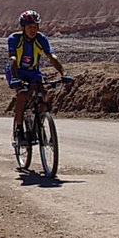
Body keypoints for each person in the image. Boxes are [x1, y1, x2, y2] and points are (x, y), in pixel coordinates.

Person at [6, 10, 71, 144]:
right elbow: (12, 59)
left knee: (44, 95)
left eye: (35, 27)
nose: (33, 30)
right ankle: (19, 129)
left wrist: (63, 73)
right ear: (23, 27)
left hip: (32, 72)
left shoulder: (41, 39)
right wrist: (14, 78)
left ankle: (39, 126)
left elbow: (51, 57)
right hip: (16, 70)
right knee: (23, 95)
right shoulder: (14, 39)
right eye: (30, 27)